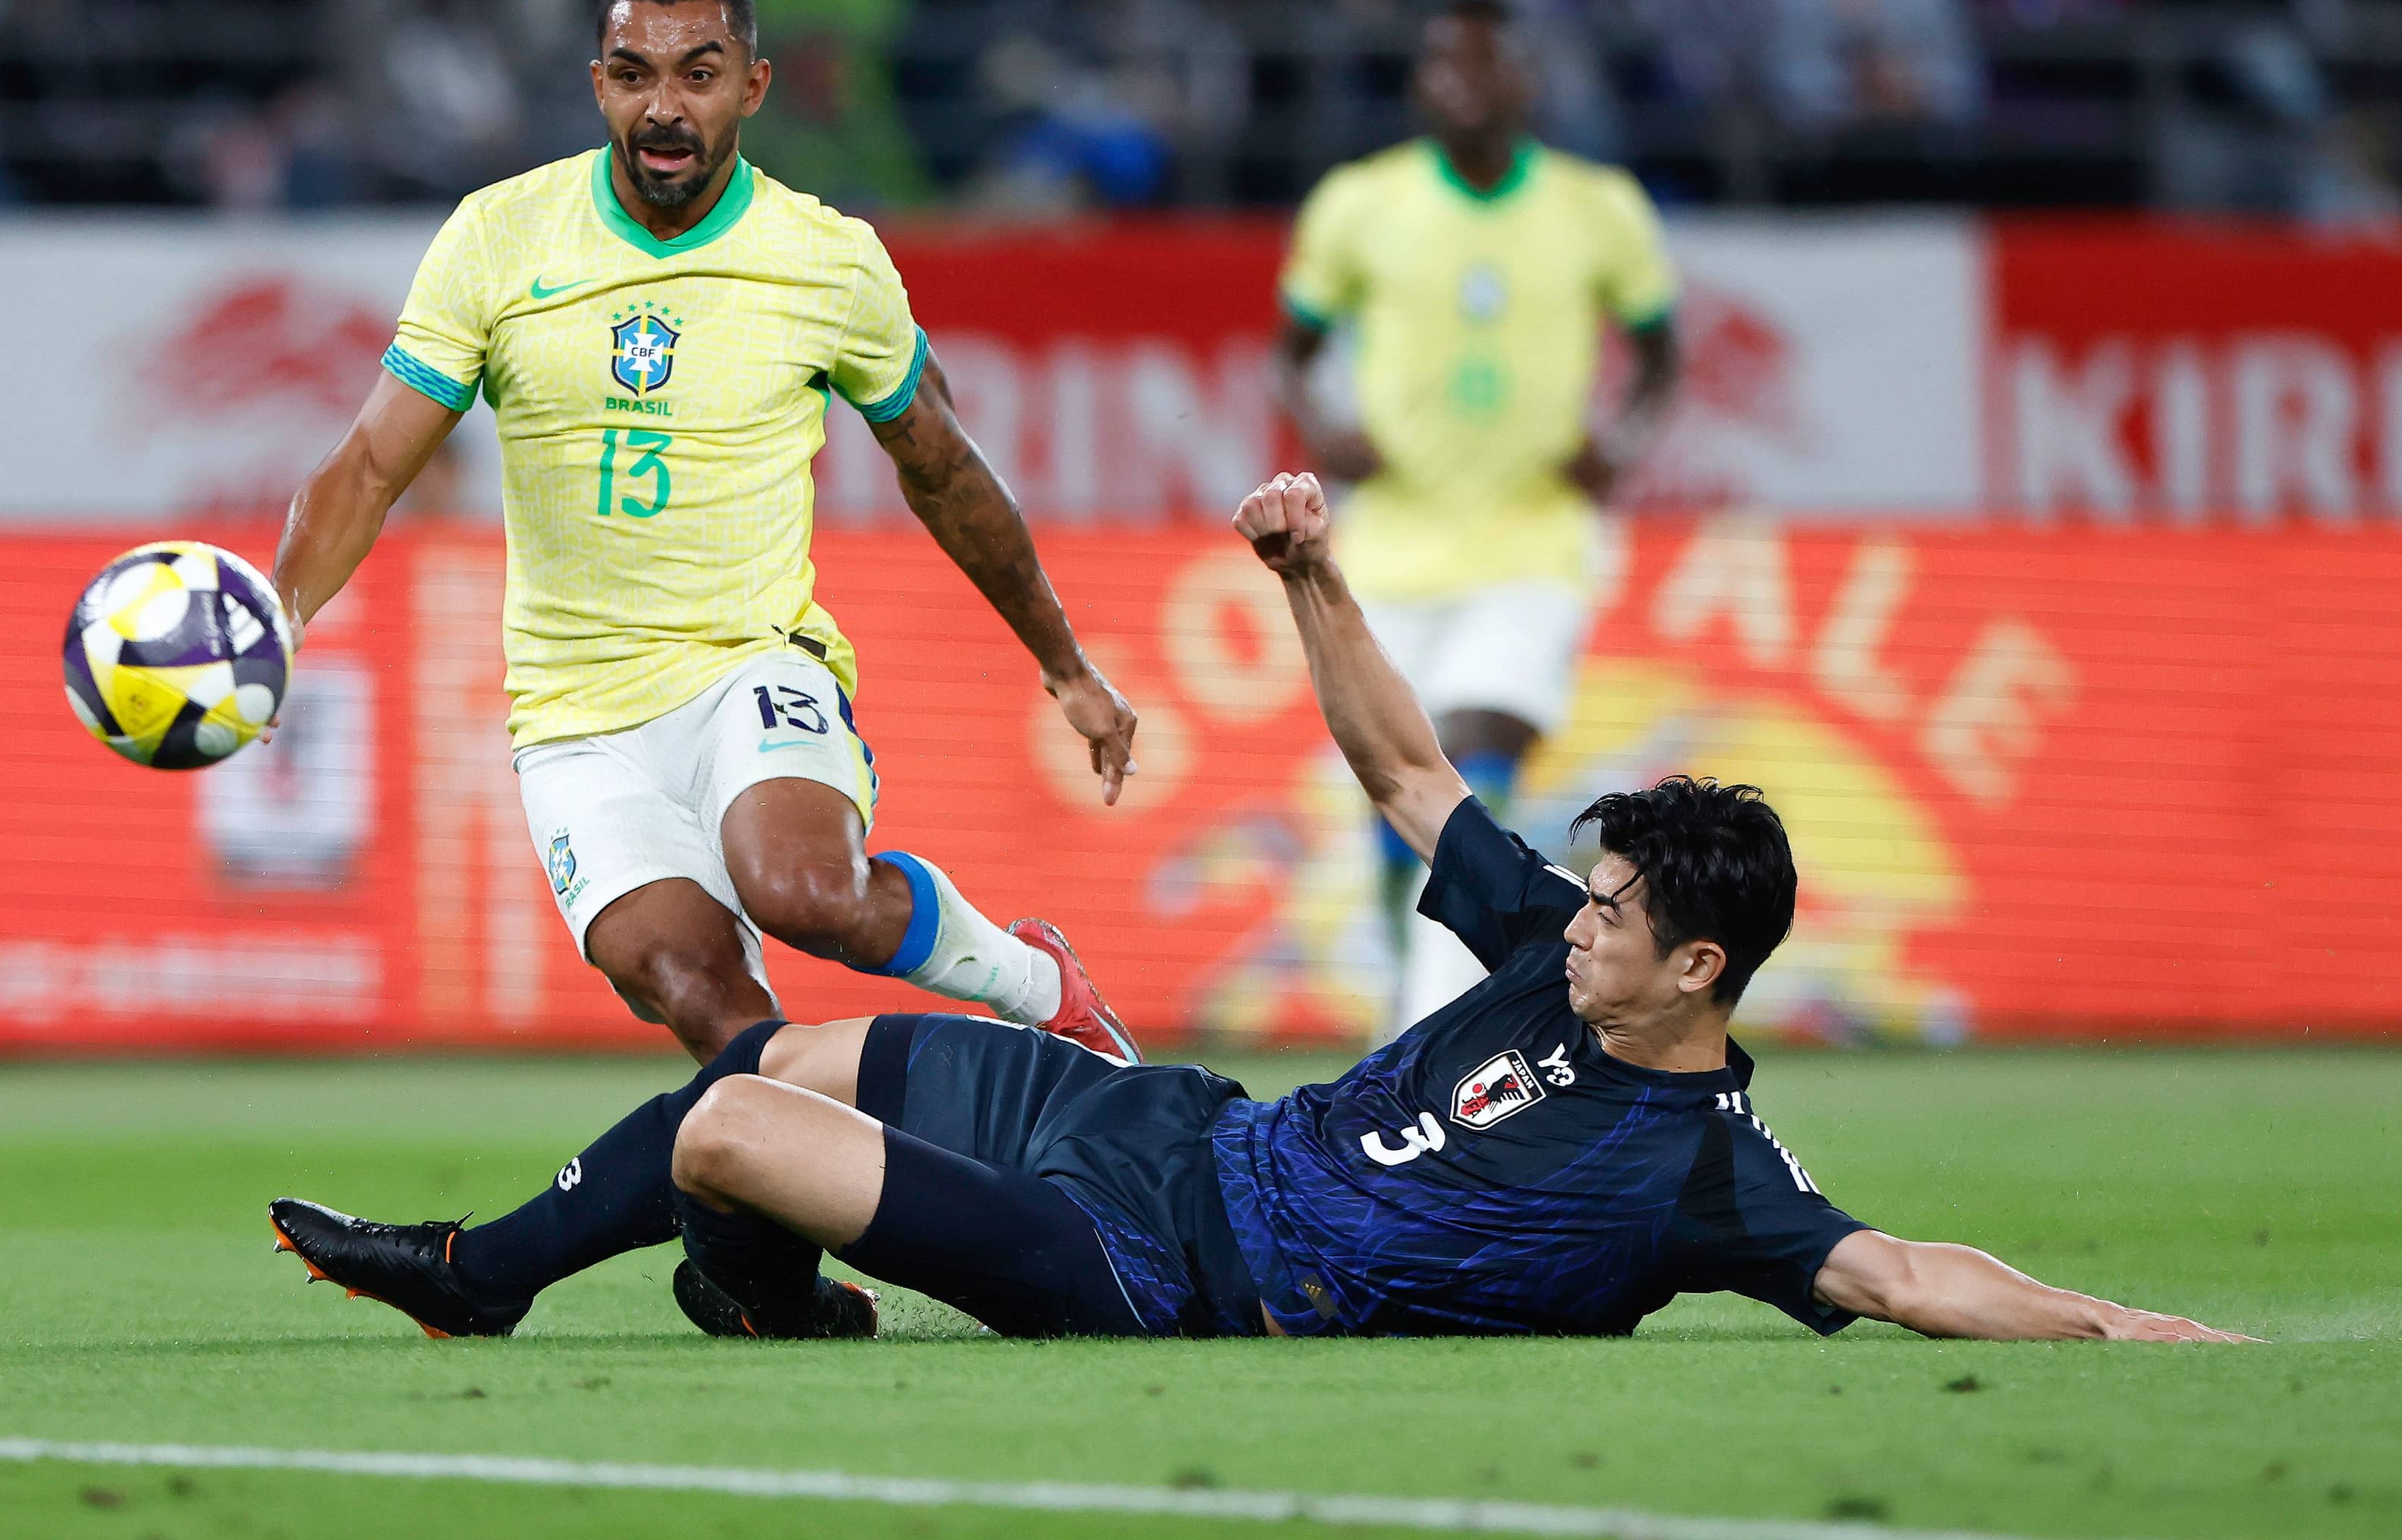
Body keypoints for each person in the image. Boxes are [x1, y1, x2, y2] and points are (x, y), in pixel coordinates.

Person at [269, 472, 2249, 1349]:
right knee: (782, 1051)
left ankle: (671, 1284)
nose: (1575, 920)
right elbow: (1409, 777)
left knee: (721, 1123)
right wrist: (1311, 573)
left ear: (1702, 969)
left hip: (1150, 1274)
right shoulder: (1558, 951)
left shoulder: (1705, 1182)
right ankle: (559, 1274)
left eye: (1617, 908)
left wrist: (2127, 1322)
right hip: (1182, 1128)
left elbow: (1906, 1281)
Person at [272, 0, 1142, 1069]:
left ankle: (1036, 982)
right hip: (575, 714)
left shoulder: (827, 260)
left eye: (699, 72)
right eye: (635, 76)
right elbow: (367, 466)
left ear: (755, 86)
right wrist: (280, 620)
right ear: (599, 87)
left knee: (806, 890)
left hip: (750, 661)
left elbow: (947, 471)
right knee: (699, 991)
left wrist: (1065, 665)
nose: (665, 107)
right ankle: (807, 1224)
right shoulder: (498, 238)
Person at [1272, 0, 1680, 1039]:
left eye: (1480, 61)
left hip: (1532, 544)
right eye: (1439, 62)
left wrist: (1619, 443)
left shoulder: (1598, 209)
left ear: (1520, 77)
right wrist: (1326, 431)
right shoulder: (1361, 204)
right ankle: (1411, 1022)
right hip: (1393, 550)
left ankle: (1426, 1043)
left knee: (1468, 755)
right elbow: (1297, 346)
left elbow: (1662, 353)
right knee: (1393, 801)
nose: (1458, 80)